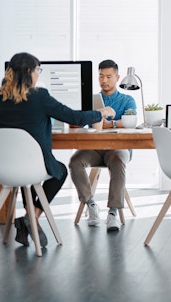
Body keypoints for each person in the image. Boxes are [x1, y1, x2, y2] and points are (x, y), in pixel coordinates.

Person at [0, 52, 115, 247]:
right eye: (38, 70)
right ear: (28, 72)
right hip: (31, 166)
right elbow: (74, 117)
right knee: (58, 171)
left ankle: (28, 218)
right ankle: (31, 217)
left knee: (25, 172)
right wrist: (101, 113)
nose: (39, 75)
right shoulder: (39, 96)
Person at [69, 60, 137, 232]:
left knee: (117, 160)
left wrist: (112, 124)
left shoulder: (127, 100)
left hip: (118, 149)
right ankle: (91, 204)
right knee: (75, 161)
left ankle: (113, 212)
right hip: (94, 149)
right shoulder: (90, 100)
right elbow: (79, 123)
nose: (104, 80)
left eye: (108, 76)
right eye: (101, 76)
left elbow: (130, 122)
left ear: (117, 77)